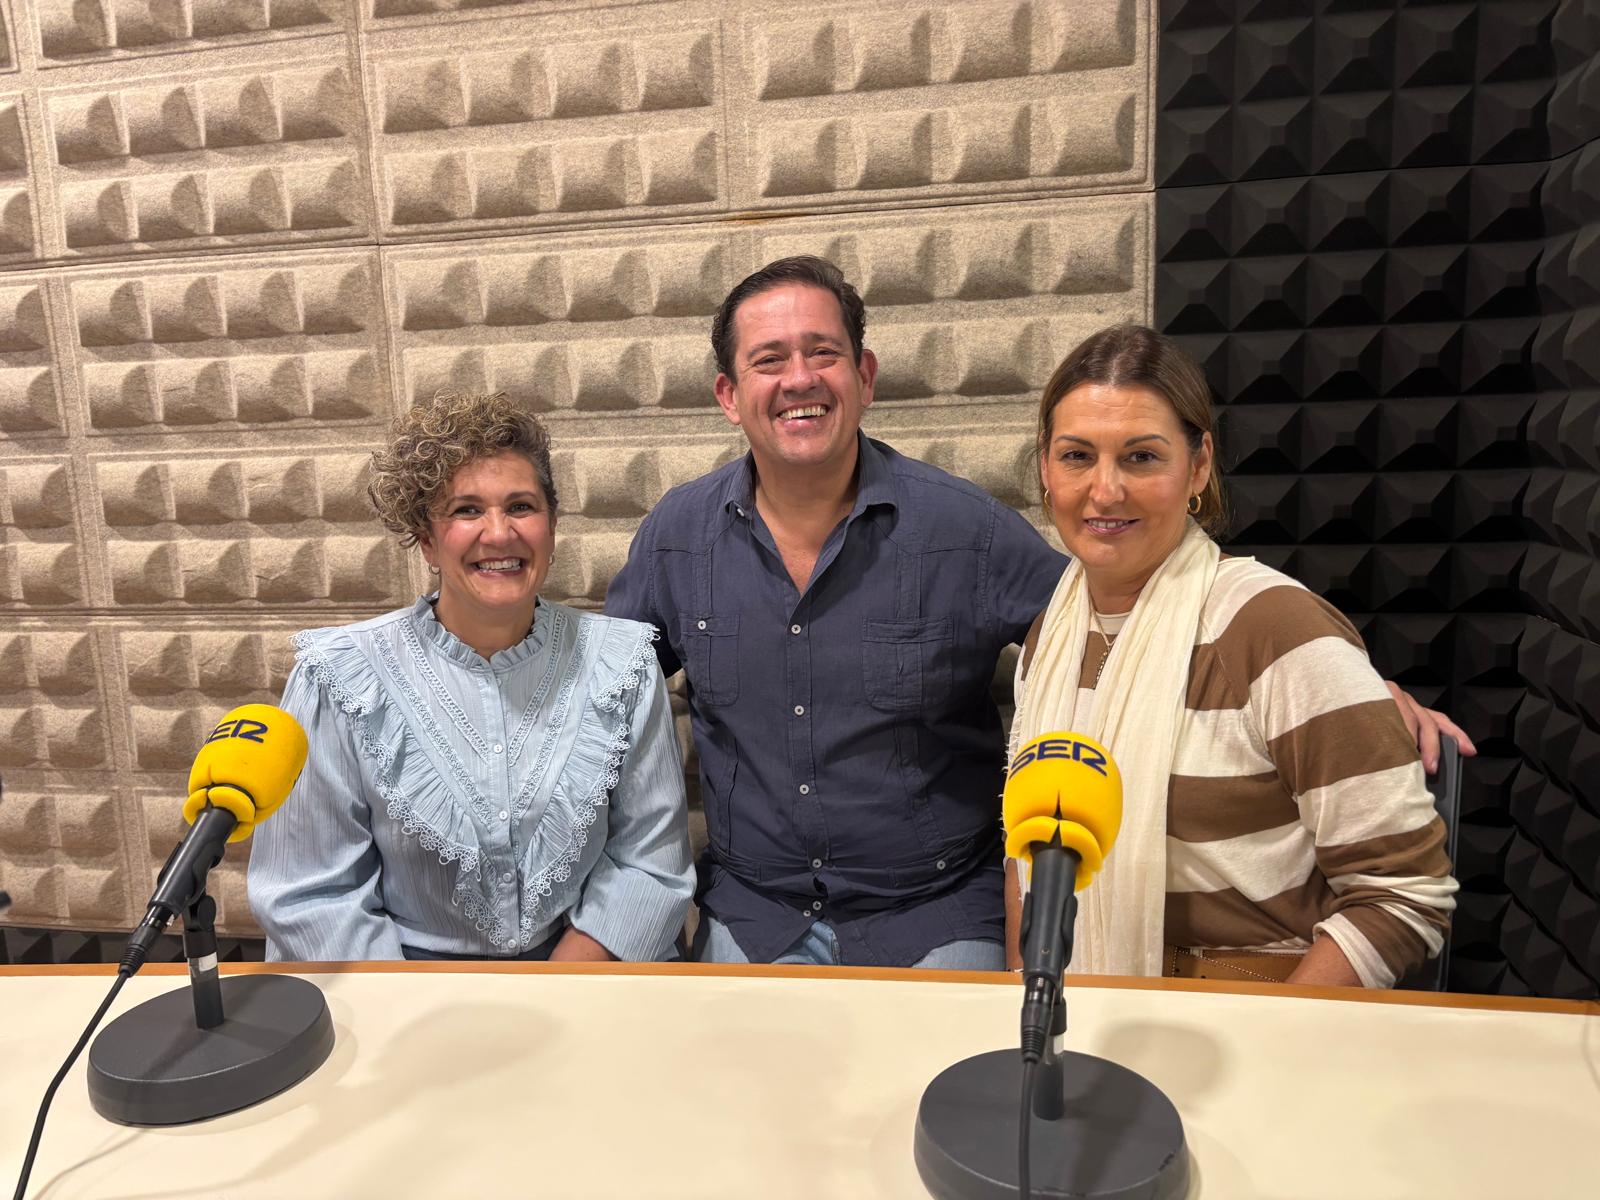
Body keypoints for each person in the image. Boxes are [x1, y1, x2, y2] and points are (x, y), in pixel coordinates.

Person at [606, 256, 1473, 971]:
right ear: (728, 393)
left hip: (935, 918)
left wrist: (1351, 693)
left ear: (864, 377)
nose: (800, 378)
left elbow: (1133, 618)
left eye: (824, 353)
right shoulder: (676, 539)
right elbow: (599, 701)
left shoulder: (964, 530)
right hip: (755, 917)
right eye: (769, 359)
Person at [1010, 325, 1457, 986]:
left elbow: (1404, 891)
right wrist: (1027, 998)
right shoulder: (1052, 637)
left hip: (1252, 1021)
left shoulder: (1275, 629)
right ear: (1046, 468)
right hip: (1081, 1013)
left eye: (1140, 458)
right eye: (1078, 456)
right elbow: (1025, 858)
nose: (1104, 491)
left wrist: (1278, 1043)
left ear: (1197, 466)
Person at [249, 392, 694, 962]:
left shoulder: (623, 661)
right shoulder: (340, 676)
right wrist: (429, 1023)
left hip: (588, 978)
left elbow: (650, 862)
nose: (499, 533)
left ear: (552, 527)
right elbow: (311, 891)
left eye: (521, 507)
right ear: (427, 539)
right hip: (400, 991)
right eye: (466, 510)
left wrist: (558, 996)